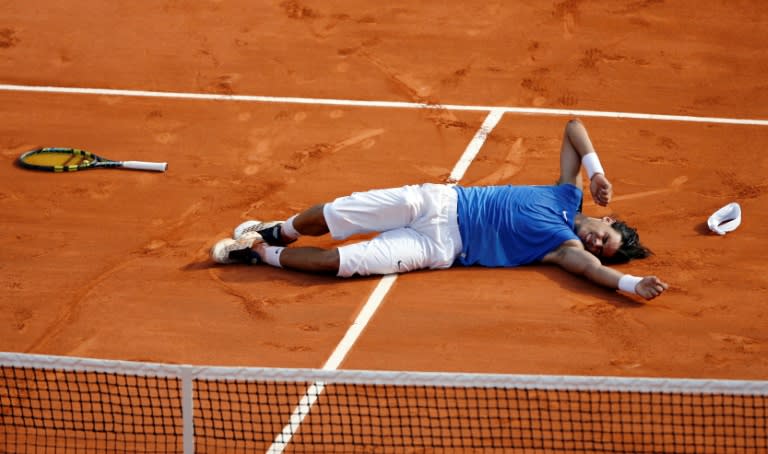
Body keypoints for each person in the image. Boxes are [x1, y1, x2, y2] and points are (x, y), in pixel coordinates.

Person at [211, 119, 669, 300]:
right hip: (436, 200)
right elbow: (573, 127)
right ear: (606, 221)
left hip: (437, 245)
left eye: (599, 249)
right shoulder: (568, 194)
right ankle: (278, 232)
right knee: (333, 215)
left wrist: (629, 283)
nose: (594, 244)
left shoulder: (565, 248)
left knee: (340, 262)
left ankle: (257, 253)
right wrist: (596, 173)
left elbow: (592, 273)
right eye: (603, 239)